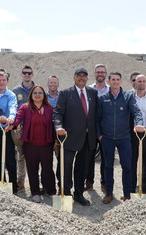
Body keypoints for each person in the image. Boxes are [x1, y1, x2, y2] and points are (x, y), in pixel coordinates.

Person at [97, 72, 145, 204]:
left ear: (121, 81)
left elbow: (136, 111)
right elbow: (98, 118)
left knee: (127, 166)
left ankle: (127, 194)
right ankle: (109, 193)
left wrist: (140, 123)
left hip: (124, 137)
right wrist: (99, 135)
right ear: (108, 81)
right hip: (107, 138)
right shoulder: (103, 98)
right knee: (108, 166)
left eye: (118, 79)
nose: (115, 82)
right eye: (113, 79)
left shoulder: (128, 97)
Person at [53, 67, 98, 206]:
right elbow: (58, 112)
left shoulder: (93, 93)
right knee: (66, 166)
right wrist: (58, 127)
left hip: (87, 137)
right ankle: (65, 192)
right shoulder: (66, 93)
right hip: (69, 137)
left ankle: (78, 194)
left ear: (87, 79)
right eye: (79, 75)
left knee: (82, 168)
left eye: (84, 76)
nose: (82, 78)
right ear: (74, 77)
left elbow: (96, 114)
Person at [9, 85, 57, 203]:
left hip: (46, 144)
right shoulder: (25, 107)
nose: (37, 95)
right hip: (30, 144)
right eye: (35, 93)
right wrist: (12, 125)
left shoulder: (49, 108)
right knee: (32, 169)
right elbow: (18, 118)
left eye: (40, 93)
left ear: (44, 95)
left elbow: (55, 125)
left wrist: (56, 141)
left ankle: (50, 190)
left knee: (47, 169)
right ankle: (35, 192)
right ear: (31, 95)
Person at [0, 71, 18, 194]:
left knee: (10, 160)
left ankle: (13, 188)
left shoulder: (11, 95)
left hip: (6, 131)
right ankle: (1, 186)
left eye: (3, 80)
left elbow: (13, 107)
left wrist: (11, 117)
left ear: (7, 81)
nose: (1, 82)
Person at [85, 64, 109, 193]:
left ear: (106, 74)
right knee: (89, 157)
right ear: (94, 74)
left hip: (105, 129)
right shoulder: (88, 89)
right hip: (91, 128)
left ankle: (104, 183)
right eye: (98, 72)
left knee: (105, 157)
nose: (100, 74)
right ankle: (89, 182)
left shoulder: (111, 89)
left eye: (102, 72)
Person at [12, 65, 35, 190]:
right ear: (21, 74)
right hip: (21, 128)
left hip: (35, 128)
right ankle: (20, 180)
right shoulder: (15, 91)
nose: (27, 75)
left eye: (29, 73)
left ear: (32, 75)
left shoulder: (37, 89)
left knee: (36, 156)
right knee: (21, 155)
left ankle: (35, 181)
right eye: (24, 73)